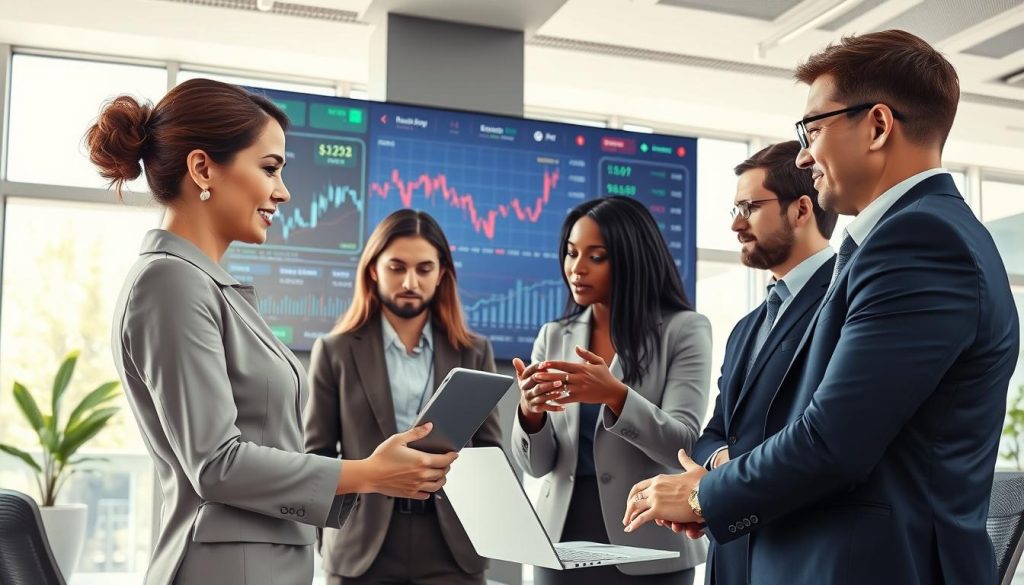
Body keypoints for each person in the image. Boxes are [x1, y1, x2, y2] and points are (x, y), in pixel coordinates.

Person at [624, 30, 1020, 585]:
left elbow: (832, 441)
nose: (804, 153)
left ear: (878, 125)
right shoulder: (890, 242)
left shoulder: (922, 241)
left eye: (812, 128)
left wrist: (704, 495)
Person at [92, 78, 457, 585]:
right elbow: (216, 463)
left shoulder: (203, 284)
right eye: (269, 169)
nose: (283, 193)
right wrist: (368, 473)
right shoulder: (170, 281)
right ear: (202, 168)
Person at [511, 195, 712, 585]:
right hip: (561, 542)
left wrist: (615, 396)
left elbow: (683, 444)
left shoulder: (684, 330)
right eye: (571, 254)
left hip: (650, 540)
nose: (577, 269)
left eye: (596, 257)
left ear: (631, 259)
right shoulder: (554, 336)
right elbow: (537, 466)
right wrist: (530, 414)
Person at [304, 208, 502, 585]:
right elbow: (318, 455)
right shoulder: (335, 351)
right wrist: (325, 539)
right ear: (374, 270)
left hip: (452, 548)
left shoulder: (474, 351)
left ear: (441, 274)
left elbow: (490, 453)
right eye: (397, 267)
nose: (410, 281)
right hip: (361, 547)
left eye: (424, 269)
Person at [688, 140, 836, 585]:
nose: (735, 224)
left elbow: (824, 435)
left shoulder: (845, 301)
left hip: (799, 555)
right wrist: (721, 464)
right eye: (734, 208)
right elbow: (712, 433)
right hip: (733, 553)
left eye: (749, 207)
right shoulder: (747, 327)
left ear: (802, 210)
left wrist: (725, 475)